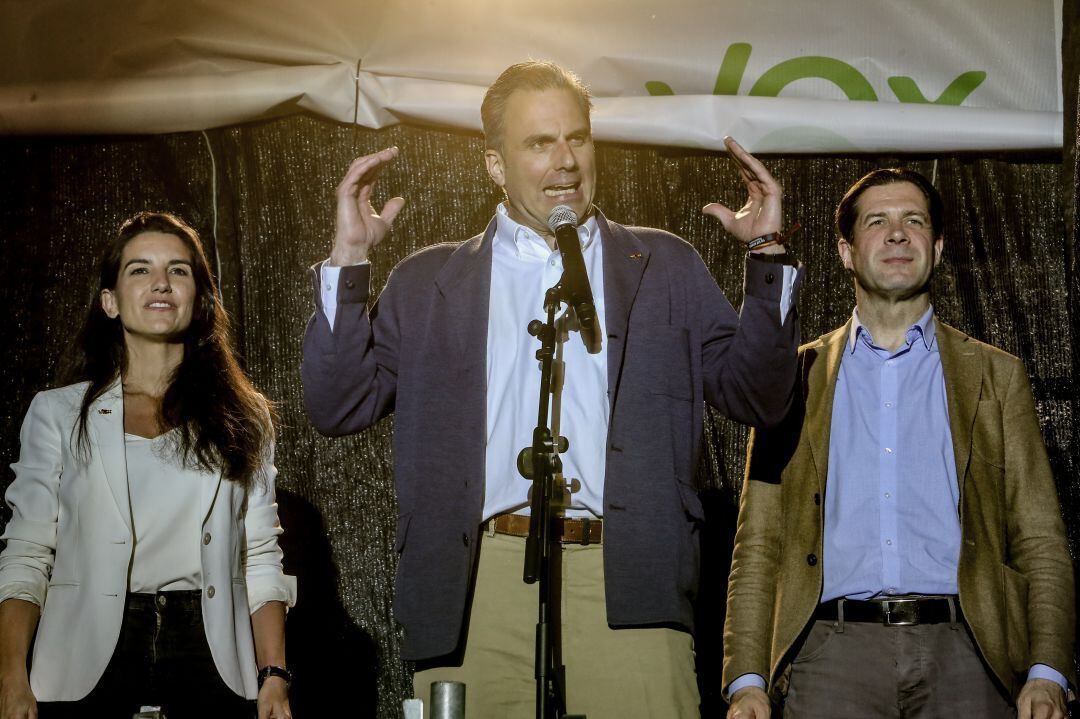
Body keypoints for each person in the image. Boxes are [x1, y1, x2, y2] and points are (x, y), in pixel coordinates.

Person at [302, 60, 802, 717]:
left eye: (578, 138)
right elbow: (337, 403)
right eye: (539, 143)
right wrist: (349, 258)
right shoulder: (429, 282)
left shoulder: (665, 265)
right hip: (477, 589)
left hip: (628, 584)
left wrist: (767, 253)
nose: (565, 161)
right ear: (495, 165)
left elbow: (759, 396)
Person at [723, 169, 1075, 719]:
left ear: (935, 249)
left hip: (969, 656)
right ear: (845, 251)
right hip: (831, 659)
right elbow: (759, 544)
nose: (895, 234)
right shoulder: (793, 377)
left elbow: (1040, 540)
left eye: (913, 221)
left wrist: (1047, 669)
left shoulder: (995, 377)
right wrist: (746, 679)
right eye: (877, 222)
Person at [0, 212, 297, 719]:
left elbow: (261, 558)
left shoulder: (243, 418)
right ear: (109, 301)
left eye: (179, 270)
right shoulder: (58, 414)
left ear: (200, 300)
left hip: (209, 652)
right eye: (140, 269)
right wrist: (11, 677)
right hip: (85, 655)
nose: (161, 282)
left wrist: (274, 676)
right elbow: (28, 554)